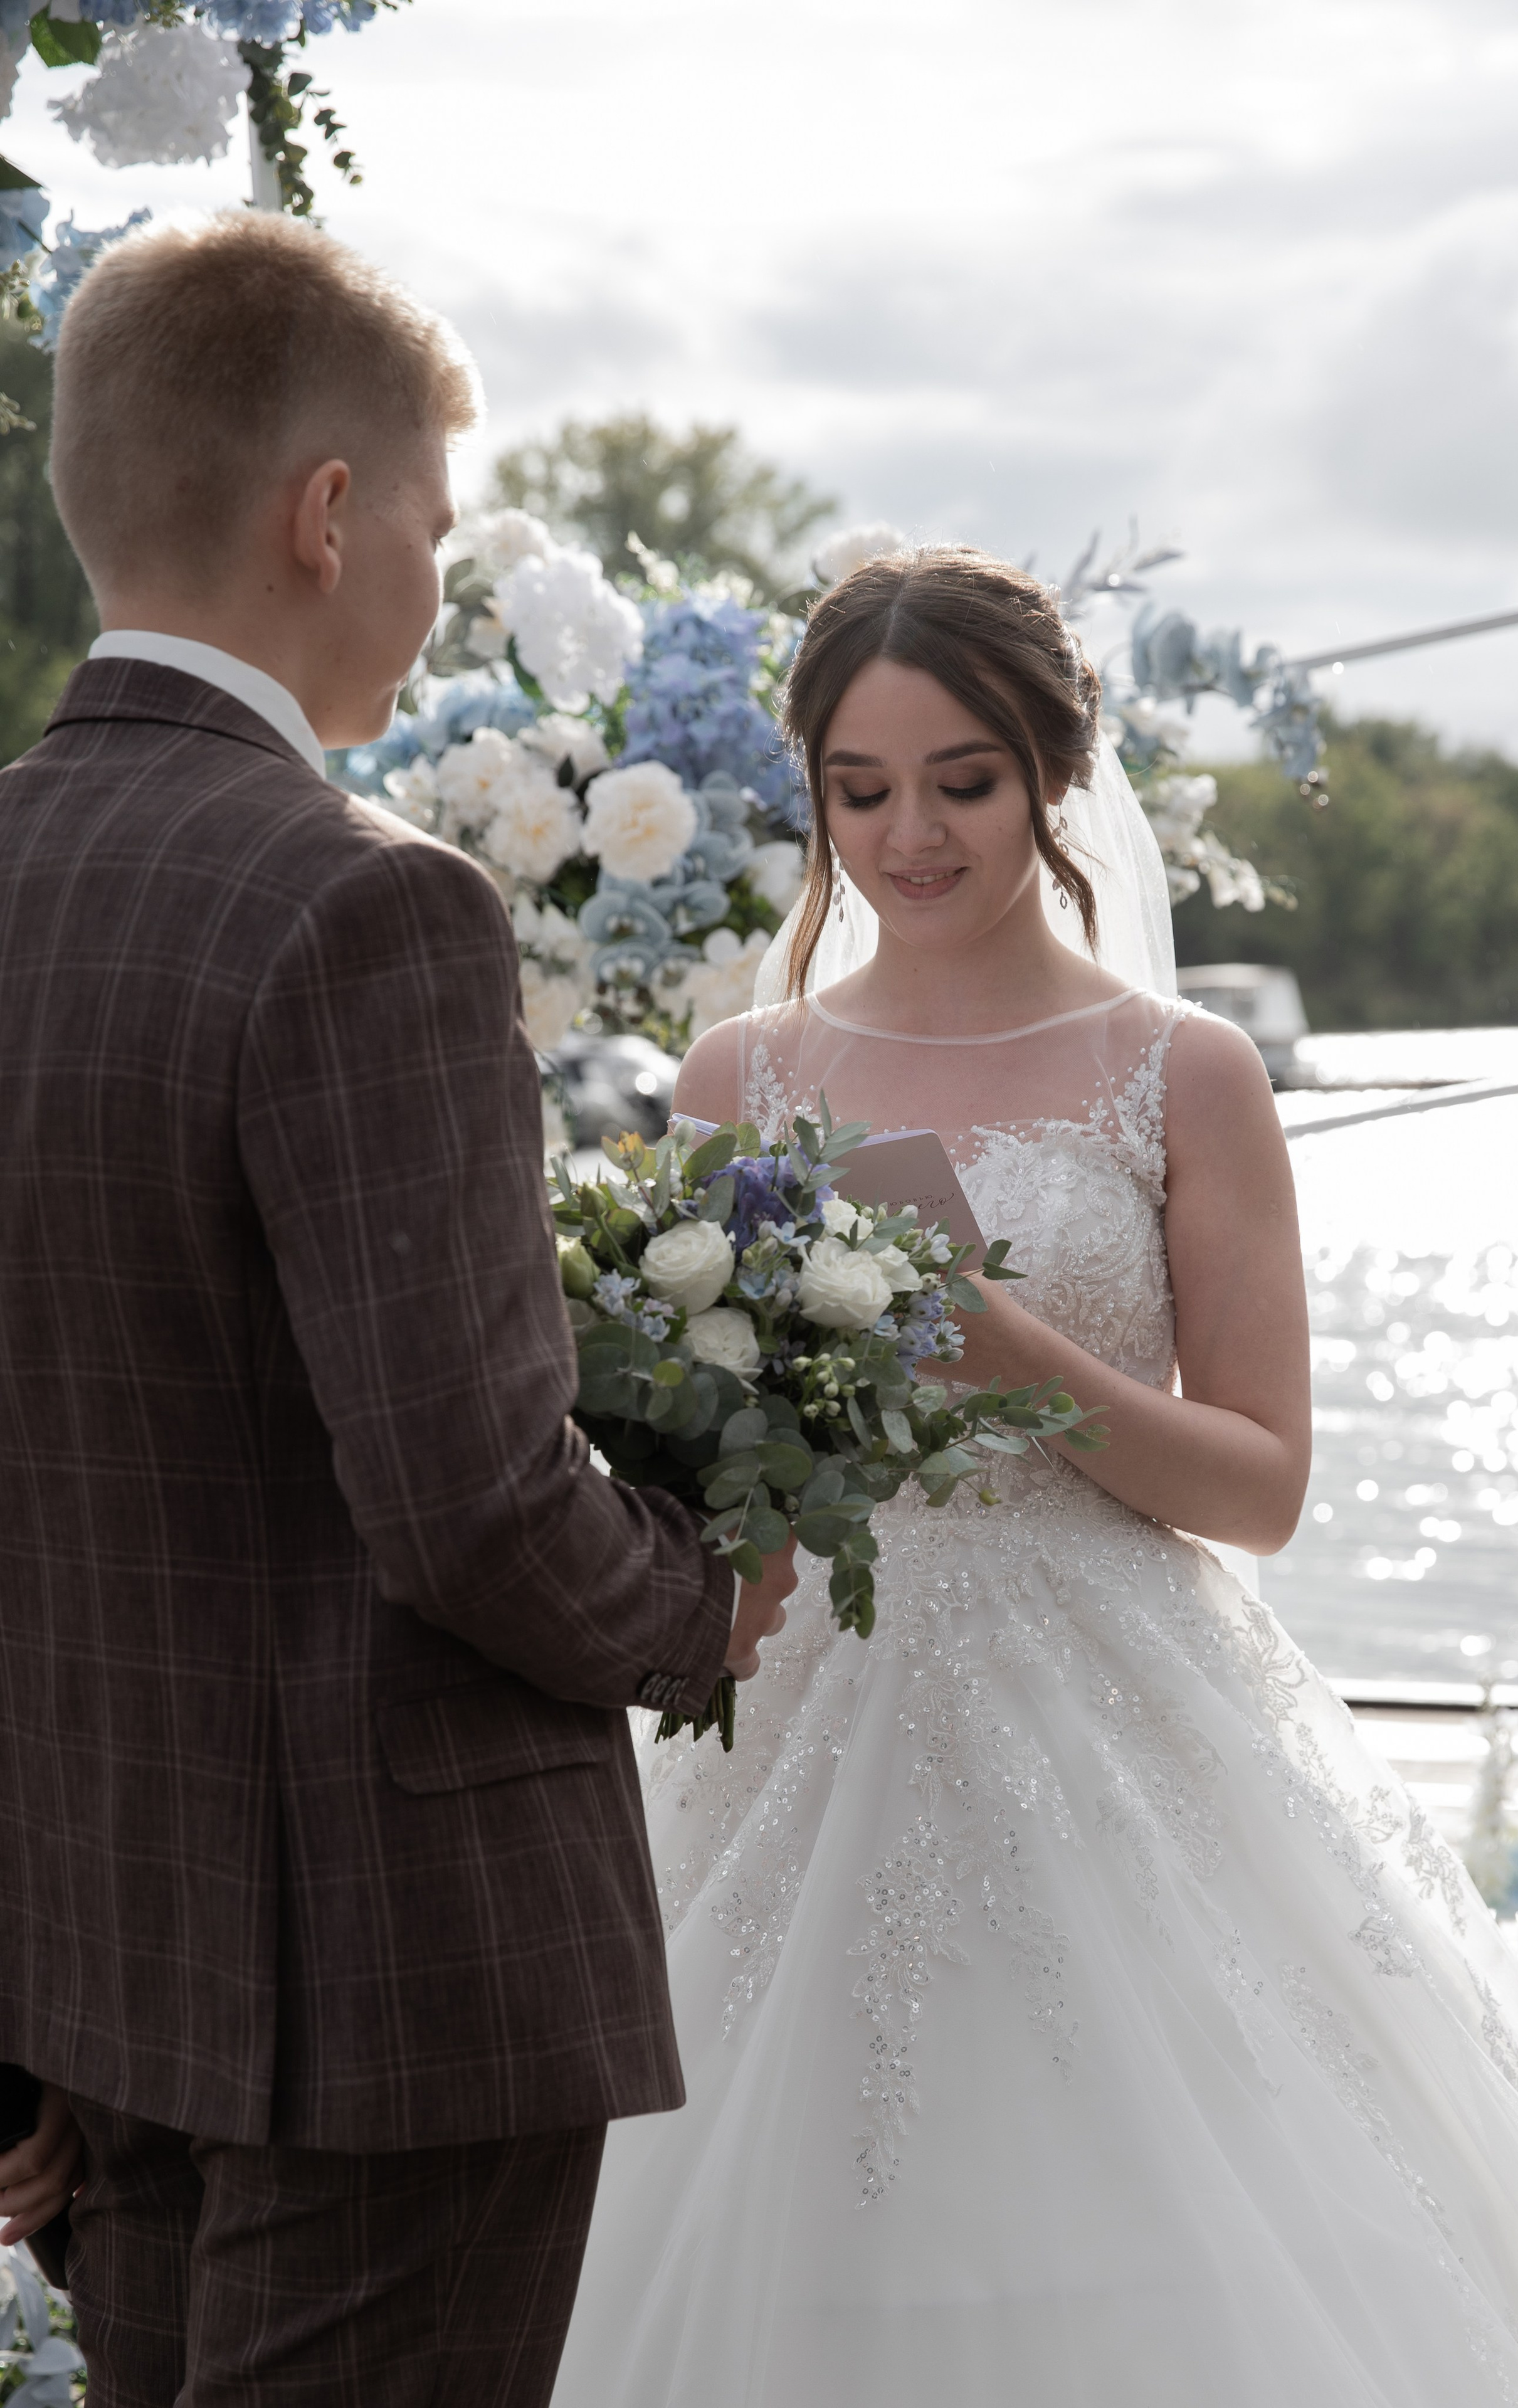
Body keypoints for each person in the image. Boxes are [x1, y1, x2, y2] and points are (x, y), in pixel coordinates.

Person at [552, 547, 1518, 2407]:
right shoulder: (743, 1074)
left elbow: (1262, 1485)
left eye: (961, 780)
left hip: (1118, 1706)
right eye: (859, 792)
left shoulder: (1182, 1072)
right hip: (799, 1704)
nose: (911, 837)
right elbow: (695, 1463)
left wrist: (1012, 1359)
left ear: (1052, 771)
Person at [0, 211, 792, 2405]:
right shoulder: (368, 906)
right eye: (434, 532)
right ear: (328, 516)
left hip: (95, 1966)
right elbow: (464, 1501)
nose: (440, 591)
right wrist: (693, 1598)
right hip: (394, 1990)